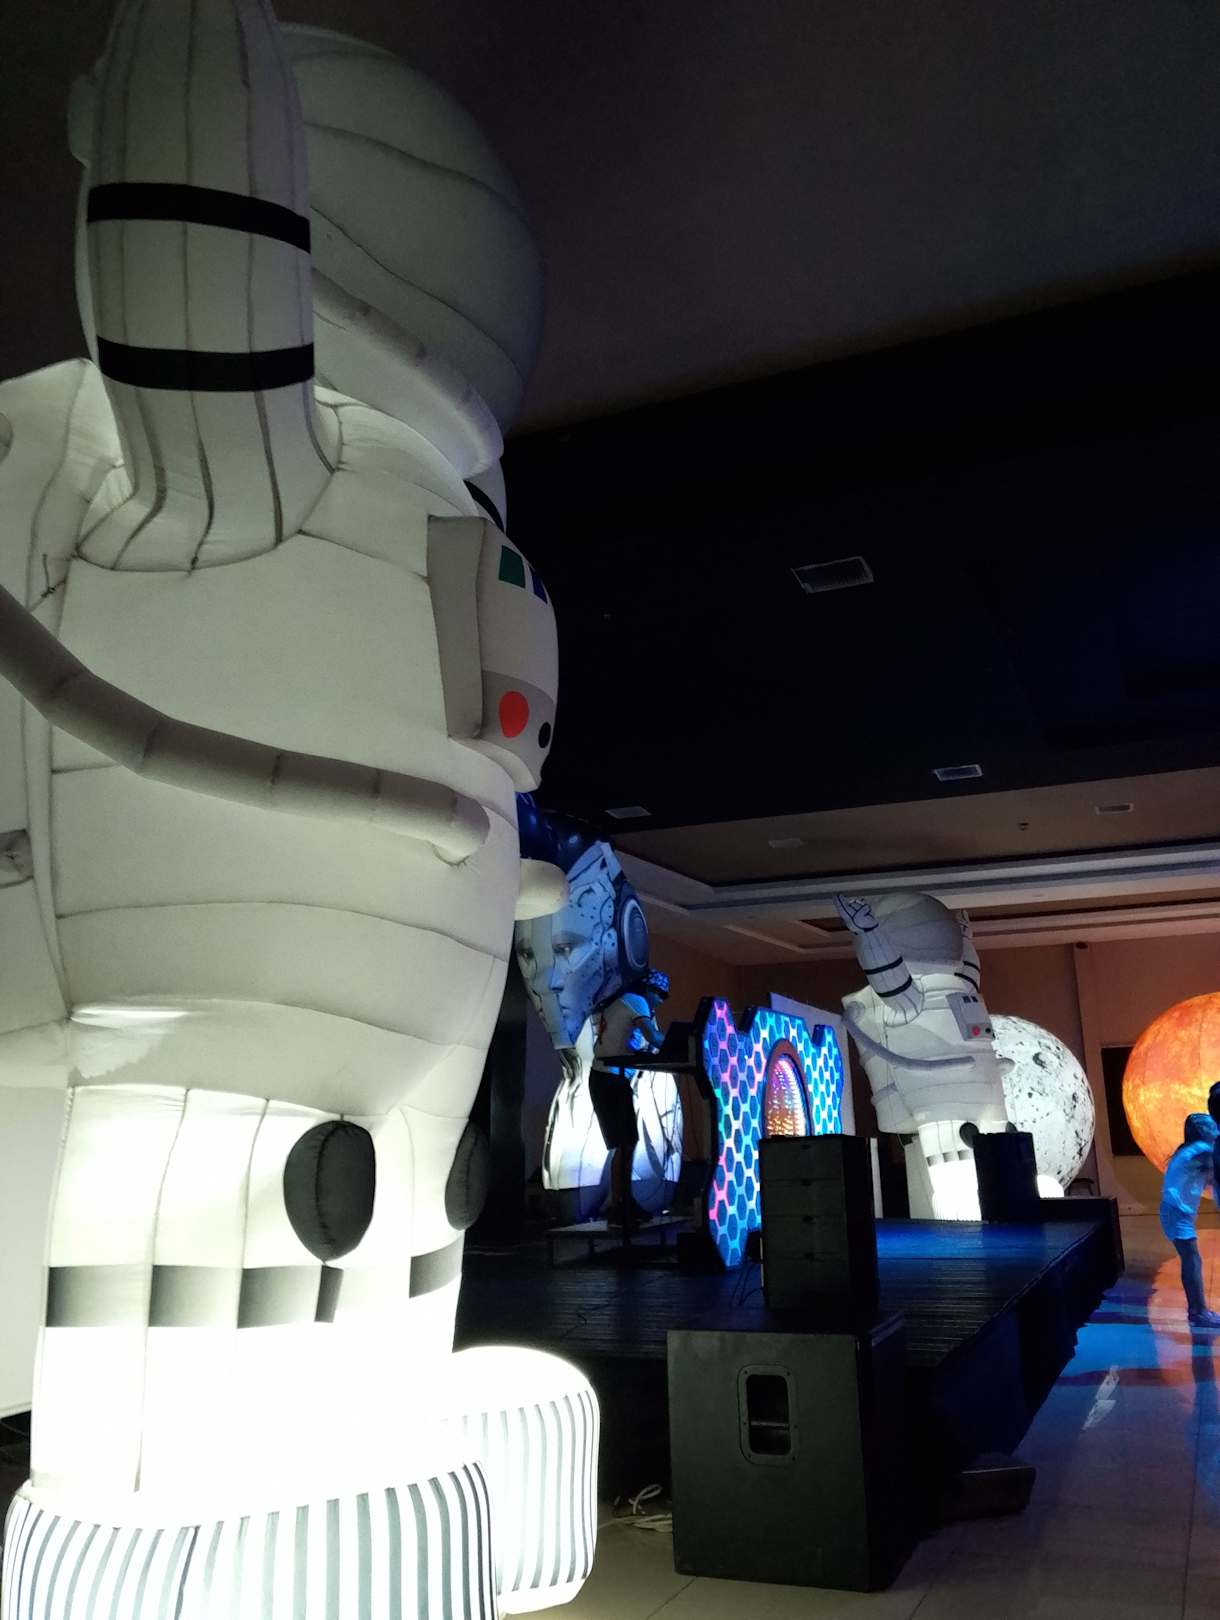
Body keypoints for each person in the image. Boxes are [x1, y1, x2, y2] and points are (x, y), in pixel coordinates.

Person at [590, 970, 670, 1230]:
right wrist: (683, 1045)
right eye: (660, 994)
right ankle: (618, 1205)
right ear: (648, 989)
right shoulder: (637, 1001)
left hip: (608, 1078)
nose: (660, 1001)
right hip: (609, 1078)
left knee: (626, 1144)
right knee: (624, 1144)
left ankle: (624, 1202)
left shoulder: (626, 1002)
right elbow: (653, 1037)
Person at [1160, 1112, 1220, 1329]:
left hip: (1175, 1211)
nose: (1215, 1127)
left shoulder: (1193, 1151)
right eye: (1210, 1125)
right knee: (1191, 1259)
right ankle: (1198, 1312)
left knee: (1191, 1259)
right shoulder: (1200, 1150)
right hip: (1176, 1212)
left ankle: (1197, 1310)